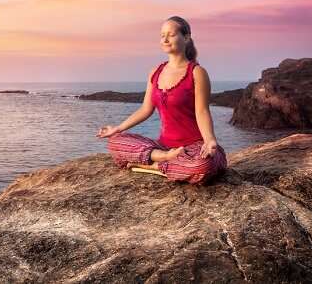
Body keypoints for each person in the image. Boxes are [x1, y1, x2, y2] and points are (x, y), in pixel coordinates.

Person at [95, 16, 227, 185]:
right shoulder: (155, 72)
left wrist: (209, 140)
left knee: (204, 165)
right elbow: (145, 109)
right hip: (162, 147)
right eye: (162, 35)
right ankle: (164, 159)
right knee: (115, 142)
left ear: (186, 38)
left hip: (193, 147)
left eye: (170, 35)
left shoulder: (197, 72)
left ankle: (153, 166)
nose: (164, 39)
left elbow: (202, 111)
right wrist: (117, 128)